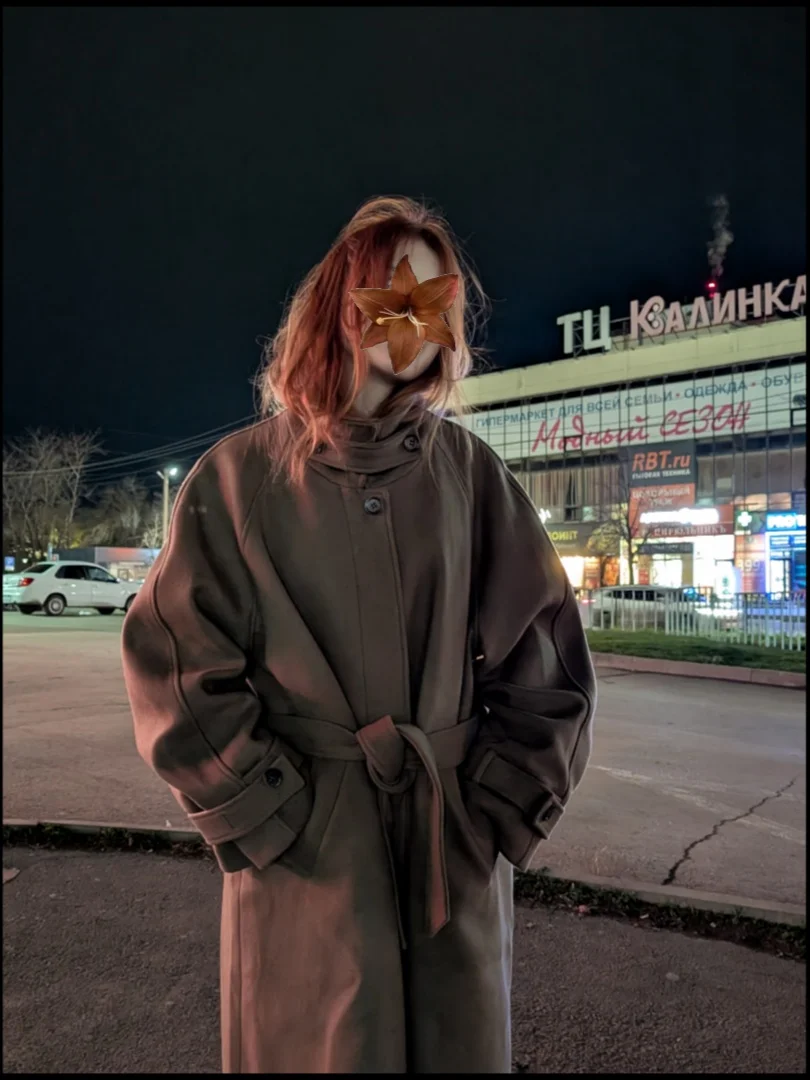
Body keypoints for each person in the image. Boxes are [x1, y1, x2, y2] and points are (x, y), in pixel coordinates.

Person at [121, 195, 596, 1074]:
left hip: (449, 846)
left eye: (435, 296)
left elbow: (547, 660)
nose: (418, 318)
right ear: (344, 305)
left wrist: (491, 813)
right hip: (306, 863)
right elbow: (176, 664)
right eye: (397, 289)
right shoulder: (238, 480)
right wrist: (270, 814)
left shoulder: (472, 477)